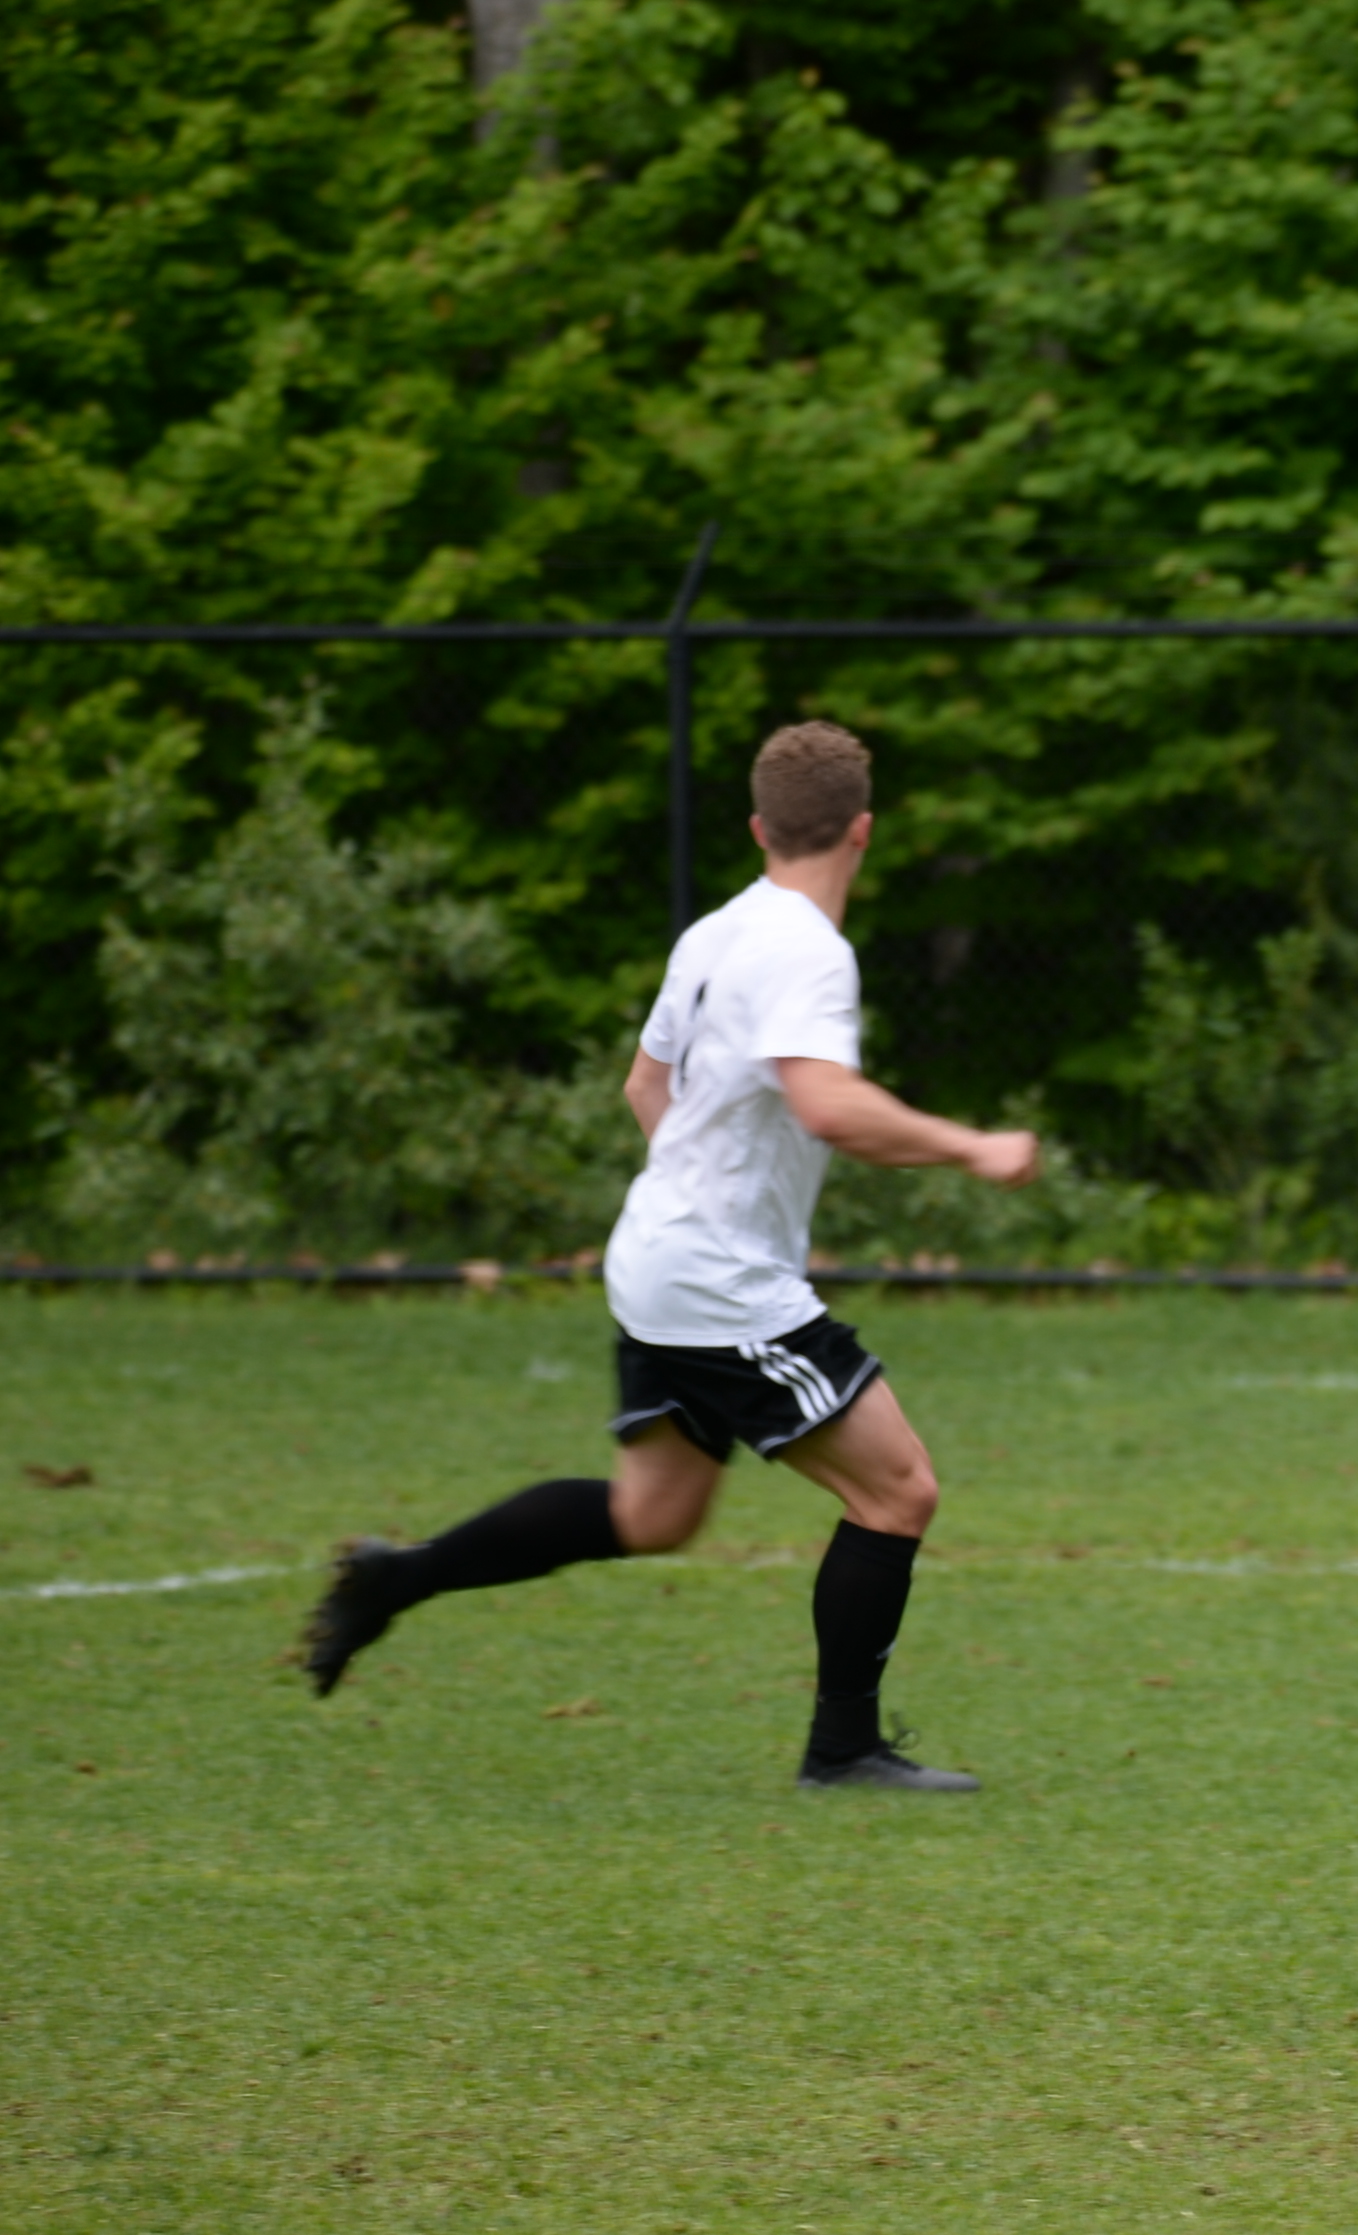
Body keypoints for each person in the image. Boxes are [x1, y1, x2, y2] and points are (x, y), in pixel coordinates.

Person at [294, 720, 1040, 1789]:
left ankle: (394, 1579)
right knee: (898, 1491)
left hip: (656, 1257)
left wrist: (700, 1198)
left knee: (652, 1514)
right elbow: (828, 1106)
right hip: (719, 1283)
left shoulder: (716, 932)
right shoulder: (810, 952)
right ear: (863, 831)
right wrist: (974, 1147)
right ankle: (842, 1752)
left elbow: (646, 1086)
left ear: (759, 827)